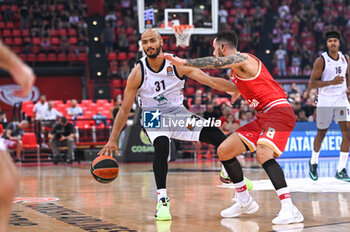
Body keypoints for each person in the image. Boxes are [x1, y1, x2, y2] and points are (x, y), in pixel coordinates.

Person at [98, 29, 249, 221]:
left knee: (219, 137)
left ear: (161, 42)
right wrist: (112, 139)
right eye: (145, 42)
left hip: (177, 113)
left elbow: (210, 81)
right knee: (161, 146)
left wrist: (238, 89)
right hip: (153, 116)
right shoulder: (138, 72)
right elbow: (125, 108)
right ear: (141, 45)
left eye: (152, 41)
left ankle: (228, 174)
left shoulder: (177, 64)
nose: (149, 45)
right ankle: (162, 201)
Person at [162, 30, 304, 224]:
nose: (213, 52)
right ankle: (245, 201)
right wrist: (236, 89)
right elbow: (220, 83)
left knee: (263, 153)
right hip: (263, 116)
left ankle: (290, 208)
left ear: (222, 47)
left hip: (278, 112)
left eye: (214, 48)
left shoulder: (243, 58)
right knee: (225, 150)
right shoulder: (235, 72)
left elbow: (215, 63)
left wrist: (184, 62)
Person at [0, 40, 35, 232]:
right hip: (9, 139)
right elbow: (7, 134)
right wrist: (16, 66)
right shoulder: (12, 124)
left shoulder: (19, 126)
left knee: (7, 182)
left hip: (11, 141)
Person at [308, 31, 350, 182]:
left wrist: (349, 88)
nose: (333, 43)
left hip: (341, 99)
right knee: (321, 133)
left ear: (339, 43)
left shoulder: (346, 59)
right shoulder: (321, 60)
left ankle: (341, 170)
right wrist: (331, 82)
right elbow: (312, 84)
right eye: (330, 41)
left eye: (335, 41)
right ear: (327, 44)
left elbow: (348, 76)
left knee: (347, 133)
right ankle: (313, 162)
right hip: (325, 100)